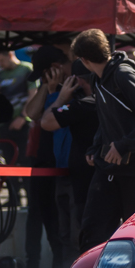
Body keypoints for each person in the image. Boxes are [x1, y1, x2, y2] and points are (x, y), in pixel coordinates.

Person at [73, 29, 135, 252]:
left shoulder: (123, 75)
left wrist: (124, 145)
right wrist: (95, 148)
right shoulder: (98, 79)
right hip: (108, 169)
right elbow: (106, 121)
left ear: (84, 60)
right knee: (93, 232)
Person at [21, 46, 70, 268]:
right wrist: (46, 87)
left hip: (61, 164)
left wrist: (54, 92)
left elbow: (49, 118)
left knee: (59, 226)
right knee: (39, 216)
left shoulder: (70, 87)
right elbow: (31, 113)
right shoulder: (47, 87)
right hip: (42, 161)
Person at [42, 60, 100, 255]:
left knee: (76, 239)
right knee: (72, 235)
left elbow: (46, 122)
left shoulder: (83, 105)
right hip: (86, 179)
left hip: (82, 183)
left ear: (78, 81)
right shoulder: (106, 102)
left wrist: (60, 97)